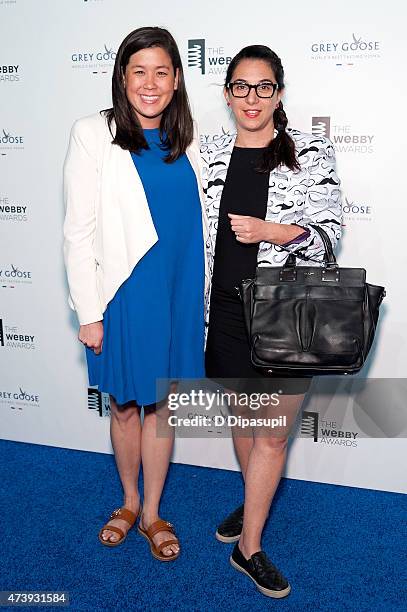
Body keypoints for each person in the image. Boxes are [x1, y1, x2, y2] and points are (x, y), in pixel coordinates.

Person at [63, 26, 209, 561]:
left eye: (162, 71)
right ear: (122, 77)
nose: (150, 83)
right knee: (125, 404)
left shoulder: (188, 139)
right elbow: (77, 231)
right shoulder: (92, 133)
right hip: (123, 293)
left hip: (178, 290)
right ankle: (127, 502)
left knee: (164, 406)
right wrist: (88, 312)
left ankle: (152, 513)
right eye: (138, 71)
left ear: (176, 80)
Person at [201, 45, 341, 596]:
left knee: (273, 436)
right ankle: (252, 500)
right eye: (241, 86)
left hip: (288, 315)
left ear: (279, 92)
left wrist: (276, 232)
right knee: (243, 419)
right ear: (229, 93)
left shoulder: (308, 150)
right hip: (227, 314)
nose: (251, 98)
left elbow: (330, 234)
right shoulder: (210, 150)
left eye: (264, 87)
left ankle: (249, 546)